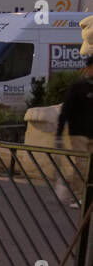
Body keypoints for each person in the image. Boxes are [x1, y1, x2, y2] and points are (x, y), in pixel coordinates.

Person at [55, 55, 93, 207]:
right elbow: (66, 109)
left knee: (90, 168)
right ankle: (78, 196)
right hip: (79, 133)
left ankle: (86, 196)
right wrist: (59, 131)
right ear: (88, 68)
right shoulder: (78, 87)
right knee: (82, 165)